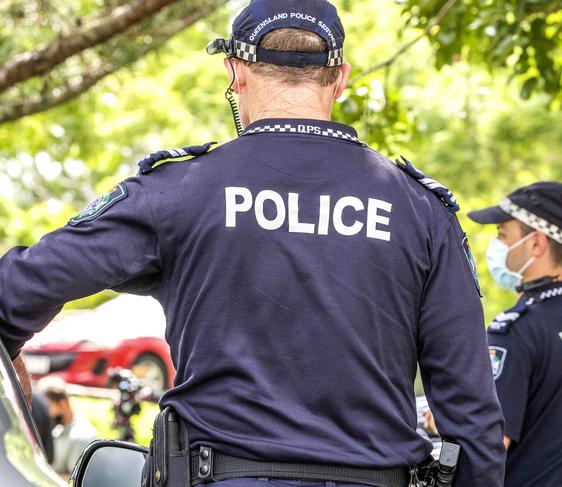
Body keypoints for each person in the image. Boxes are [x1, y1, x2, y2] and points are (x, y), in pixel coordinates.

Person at [0, 0, 505, 485]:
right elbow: (472, 416)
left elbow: (12, 293)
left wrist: (19, 406)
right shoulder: (420, 212)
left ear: (235, 73)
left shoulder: (178, 192)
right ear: (341, 79)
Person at [468, 182, 562, 487]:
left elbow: (488, 447)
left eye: (502, 235)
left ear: (537, 244)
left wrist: (448, 422)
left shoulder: (516, 331)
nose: (496, 246)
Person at [37, 377, 98, 478]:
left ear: (63, 403)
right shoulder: (58, 428)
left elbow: (74, 479)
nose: (45, 412)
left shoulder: (82, 434)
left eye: (47, 406)